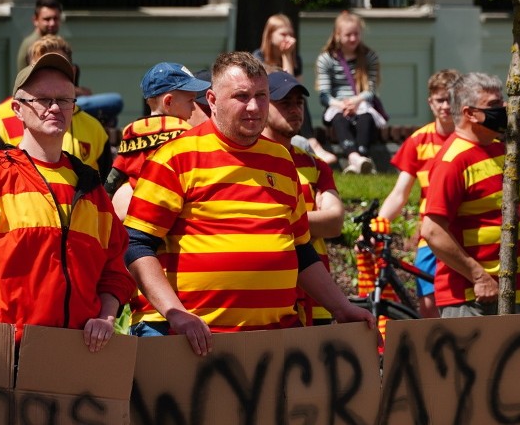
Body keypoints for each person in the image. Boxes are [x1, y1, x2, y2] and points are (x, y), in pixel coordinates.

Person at [121, 51, 375, 356]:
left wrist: (343, 308)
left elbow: (301, 250)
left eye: (261, 95)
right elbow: (136, 245)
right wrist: (175, 312)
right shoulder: (175, 157)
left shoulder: (281, 159)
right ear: (212, 100)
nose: (254, 107)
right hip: (193, 341)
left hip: (273, 342)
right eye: (241, 96)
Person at [0, 52, 136, 352]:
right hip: (5, 354)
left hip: (82, 354)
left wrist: (106, 318)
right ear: (18, 109)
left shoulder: (91, 187)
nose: (55, 108)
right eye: (43, 99)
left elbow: (115, 269)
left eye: (65, 100)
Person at [420, 72, 520, 317]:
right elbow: (432, 230)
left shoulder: (500, 149)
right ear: (469, 113)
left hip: (507, 292)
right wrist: (478, 276)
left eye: (501, 102)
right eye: (493, 105)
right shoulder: (453, 160)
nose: (503, 109)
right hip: (471, 299)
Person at [371, 69, 460, 318]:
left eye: (451, 99)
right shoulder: (418, 141)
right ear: (430, 102)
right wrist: (378, 225)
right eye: (440, 100)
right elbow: (399, 194)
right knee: (427, 299)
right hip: (431, 233)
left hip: (464, 232)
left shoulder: (469, 137)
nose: (446, 106)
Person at [0, 35, 113, 182]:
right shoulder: (1, 121)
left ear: (73, 72)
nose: (54, 107)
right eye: (39, 72)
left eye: (56, 71)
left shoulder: (94, 129)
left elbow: (107, 189)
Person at [263, 70, 344, 325]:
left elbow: (334, 222)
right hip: (272, 291)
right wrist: (311, 220)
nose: (295, 109)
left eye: (299, 103)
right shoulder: (251, 159)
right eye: (285, 103)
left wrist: (279, 222)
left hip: (317, 294)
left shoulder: (314, 164)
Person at [106, 62, 211, 220]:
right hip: (169, 208)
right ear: (168, 102)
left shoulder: (131, 131)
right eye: (190, 101)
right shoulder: (185, 133)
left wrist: (104, 207)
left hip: (132, 209)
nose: (194, 108)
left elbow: (115, 175)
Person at [253, 13, 337, 165]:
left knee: (298, 99)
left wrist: (287, 57)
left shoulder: (295, 58)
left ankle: (313, 143)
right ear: (270, 36)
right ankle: (313, 144)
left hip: (283, 100)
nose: (289, 38)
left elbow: (292, 87)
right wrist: (286, 56)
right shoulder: (258, 57)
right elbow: (279, 88)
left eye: (291, 34)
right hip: (268, 101)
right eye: (283, 34)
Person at [316, 11, 384, 174]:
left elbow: (371, 89)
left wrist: (355, 102)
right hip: (337, 103)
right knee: (340, 119)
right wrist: (342, 104)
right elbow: (324, 94)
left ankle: (357, 160)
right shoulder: (326, 59)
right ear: (338, 35)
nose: (353, 38)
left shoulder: (369, 57)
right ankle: (357, 158)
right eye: (348, 35)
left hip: (361, 101)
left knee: (366, 118)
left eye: (356, 34)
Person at [16, 0, 63, 72]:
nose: (52, 23)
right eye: (47, 19)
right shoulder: (30, 45)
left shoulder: (59, 43)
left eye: (55, 18)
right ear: (35, 20)